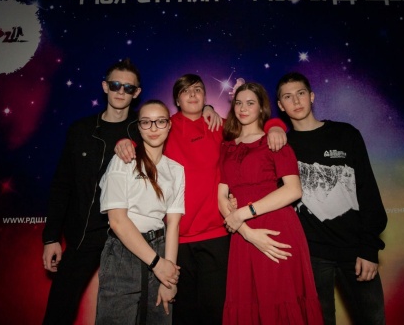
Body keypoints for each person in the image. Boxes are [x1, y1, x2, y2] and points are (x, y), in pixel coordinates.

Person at [115, 74, 288, 325]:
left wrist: (276, 126)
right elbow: (142, 139)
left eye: (197, 90)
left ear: (205, 97)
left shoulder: (219, 125)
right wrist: (123, 142)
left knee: (216, 312)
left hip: (217, 234)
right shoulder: (166, 126)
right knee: (183, 313)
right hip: (177, 237)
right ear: (177, 100)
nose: (193, 95)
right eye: (186, 91)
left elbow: (253, 127)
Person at [276, 72, 387, 325]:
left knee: (373, 320)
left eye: (301, 93)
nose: (296, 101)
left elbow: (368, 192)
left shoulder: (346, 134)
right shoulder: (282, 146)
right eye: (288, 97)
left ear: (312, 96)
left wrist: (369, 249)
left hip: (356, 250)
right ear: (281, 106)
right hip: (311, 256)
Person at [41, 58, 143, 325]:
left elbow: (174, 122)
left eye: (128, 88)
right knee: (58, 311)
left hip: (127, 237)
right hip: (84, 235)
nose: (121, 92)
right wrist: (51, 237)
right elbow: (62, 185)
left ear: (136, 93)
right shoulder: (81, 130)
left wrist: (208, 108)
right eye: (115, 85)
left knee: (128, 314)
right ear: (105, 86)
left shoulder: (143, 130)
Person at [218, 82, 323, 325]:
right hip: (243, 235)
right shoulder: (226, 147)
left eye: (250, 103)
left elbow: (293, 190)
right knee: (247, 303)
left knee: (281, 300)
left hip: (277, 229)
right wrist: (247, 232)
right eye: (238, 103)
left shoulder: (274, 140)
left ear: (261, 107)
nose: (243, 108)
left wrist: (243, 213)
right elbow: (221, 196)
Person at [96, 100, 184, 324]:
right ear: (139, 127)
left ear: (169, 125)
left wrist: (169, 278)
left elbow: (173, 225)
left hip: (161, 249)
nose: (154, 128)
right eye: (146, 122)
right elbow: (117, 221)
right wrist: (157, 264)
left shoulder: (176, 170)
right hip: (123, 252)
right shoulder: (123, 161)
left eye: (160, 121)